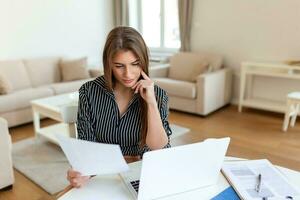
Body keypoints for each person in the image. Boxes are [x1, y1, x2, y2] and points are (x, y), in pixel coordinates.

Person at [67, 26, 172, 188]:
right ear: (109, 64)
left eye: (135, 64)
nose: (128, 74)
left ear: (143, 62)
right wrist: (81, 173)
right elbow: (88, 148)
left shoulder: (158, 95)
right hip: (103, 175)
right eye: (119, 66)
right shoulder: (88, 92)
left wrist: (151, 103)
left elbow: (159, 148)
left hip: (144, 174)